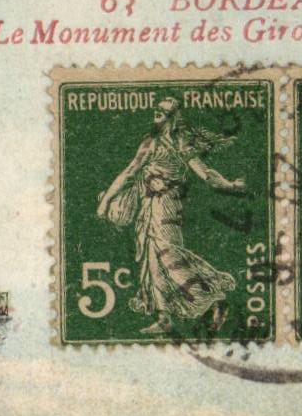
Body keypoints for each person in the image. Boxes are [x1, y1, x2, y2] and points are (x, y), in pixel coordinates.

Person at [96, 97, 245, 334]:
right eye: (156, 110)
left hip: (162, 206)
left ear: (173, 118)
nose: (157, 113)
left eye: (163, 112)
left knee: (168, 257)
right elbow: (131, 173)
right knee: (153, 261)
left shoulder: (163, 144)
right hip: (155, 206)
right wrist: (230, 185)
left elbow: (204, 173)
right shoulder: (167, 143)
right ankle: (164, 318)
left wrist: (229, 185)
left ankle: (214, 300)